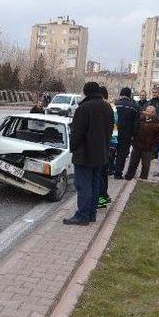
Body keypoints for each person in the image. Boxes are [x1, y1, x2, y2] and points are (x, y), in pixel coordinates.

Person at [63, 82, 114, 226]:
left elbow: (77, 133)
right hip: (101, 153)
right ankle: (91, 214)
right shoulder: (107, 107)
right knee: (95, 183)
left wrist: (72, 148)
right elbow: (110, 130)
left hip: (85, 154)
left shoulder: (84, 108)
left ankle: (82, 215)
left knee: (83, 185)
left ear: (85, 92)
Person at [124, 106, 159, 180]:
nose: (149, 113)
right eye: (148, 111)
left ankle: (143, 179)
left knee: (146, 165)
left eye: (152, 112)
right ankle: (128, 177)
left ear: (154, 113)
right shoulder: (140, 119)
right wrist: (134, 140)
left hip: (148, 147)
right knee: (133, 163)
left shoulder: (158, 122)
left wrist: (153, 143)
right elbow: (134, 130)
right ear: (145, 111)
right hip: (137, 145)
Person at [113, 87, 139, 179]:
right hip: (126, 134)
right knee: (122, 154)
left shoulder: (115, 105)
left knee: (111, 151)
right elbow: (136, 124)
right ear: (129, 95)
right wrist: (133, 135)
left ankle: (109, 170)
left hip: (113, 133)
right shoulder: (134, 107)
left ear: (121, 94)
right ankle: (118, 173)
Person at [98, 86, 115, 208]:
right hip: (107, 144)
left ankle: (102, 197)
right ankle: (104, 196)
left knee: (100, 174)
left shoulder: (102, 108)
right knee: (103, 173)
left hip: (101, 145)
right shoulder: (110, 108)